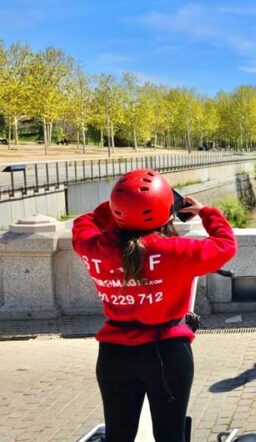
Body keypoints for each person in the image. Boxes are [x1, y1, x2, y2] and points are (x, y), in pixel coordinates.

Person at [72, 168, 237, 442]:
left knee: (118, 435)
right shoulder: (175, 251)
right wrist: (205, 212)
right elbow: (226, 245)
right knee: (170, 435)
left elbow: (84, 222)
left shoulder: (93, 246)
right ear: (164, 208)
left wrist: (120, 207)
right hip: (167, 353)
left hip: (114, 355)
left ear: (116, 209)